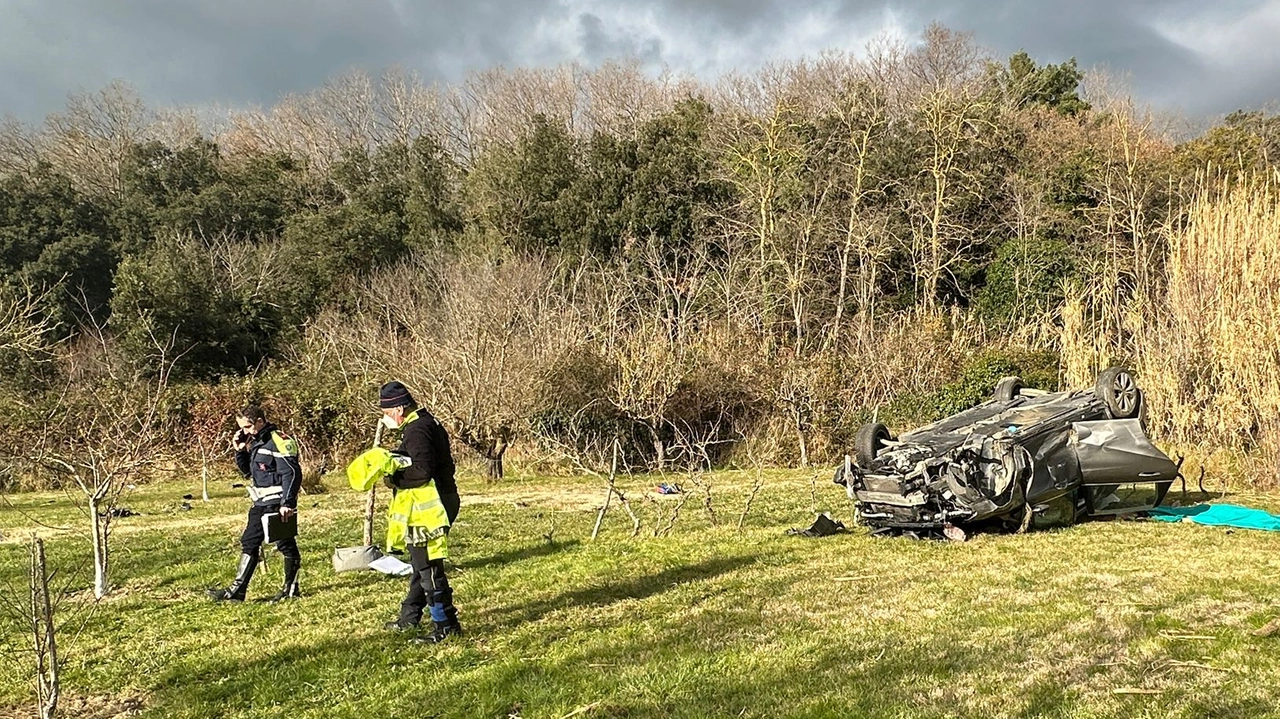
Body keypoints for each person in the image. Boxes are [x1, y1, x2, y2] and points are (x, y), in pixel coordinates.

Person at [377, 380, 462, 643]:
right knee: (420, 562)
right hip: (442, 499)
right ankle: (409, 616)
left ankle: (445, 625)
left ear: (399, 409)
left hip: (430, 507)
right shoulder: (427, 423)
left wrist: (393, 477)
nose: (385, 419)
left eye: (387, 413)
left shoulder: (417, 429)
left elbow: (422, 470)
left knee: (429, 568)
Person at [207, 406, 303, 603]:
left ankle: (285, 589)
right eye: (242, 427)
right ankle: (241, 591)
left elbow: (292, 473)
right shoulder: (255, 441)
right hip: (260, 501)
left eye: (248, 426)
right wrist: (240, 451)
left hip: (277, 502)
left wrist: (288, 503)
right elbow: (248, 473)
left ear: (260, 421)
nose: (245, 431)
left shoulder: (280, 441)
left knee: (281, 542)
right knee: (257, 541)